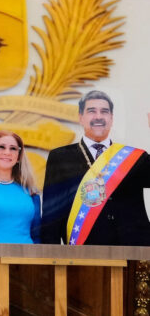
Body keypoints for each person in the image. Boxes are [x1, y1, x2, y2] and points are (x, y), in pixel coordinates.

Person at [41, 90, 150, 245]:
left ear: (111, 118)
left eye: (104, 111)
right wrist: (51, 254)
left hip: (132, 248)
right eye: (91, 111)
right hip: (84, 248)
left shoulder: (134, 157)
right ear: (81, 117)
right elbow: (51, 214)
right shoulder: (60, 156)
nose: (98, 116)